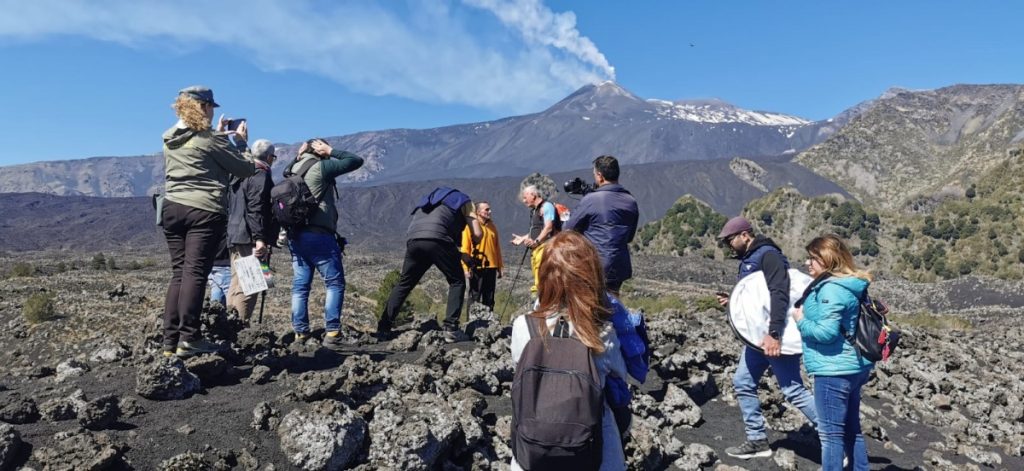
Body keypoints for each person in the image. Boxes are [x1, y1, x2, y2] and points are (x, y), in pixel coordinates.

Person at [510, 231, 627, 470]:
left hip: (532, 450)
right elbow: (619, 379)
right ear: (591, 277)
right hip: (593, 451)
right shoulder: (601, 331)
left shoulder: (524, 326)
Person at [161, 85, 255, 358]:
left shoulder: (168, 138)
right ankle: (190, 338)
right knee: (196, 273)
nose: (213, 113)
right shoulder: (208, 139)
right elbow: (245, 168)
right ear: (202, 107)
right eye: (211, 108)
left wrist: (217, 134)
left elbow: (198, 146)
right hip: (203, 210)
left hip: (171, 208)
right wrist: (239, 142)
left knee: (179, 273)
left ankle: (170, 341)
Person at [716, 216, 818, 459]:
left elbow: (779, 294)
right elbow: (758, 298)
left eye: (730, 239)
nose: (728, 245)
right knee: (742, 382)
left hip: (773, 337)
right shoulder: (750, 259)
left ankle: (837, 437)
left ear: (745, 235)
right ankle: (757, 439)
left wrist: (774, 334)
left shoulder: (768, 255)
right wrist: (733, 302)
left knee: (792, 390)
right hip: (758, 339)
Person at [792, 235, 874, 471]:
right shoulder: (849, 283)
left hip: (833, 370)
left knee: (830, 436)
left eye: (814, 258)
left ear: (828, 260)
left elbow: (826, 333)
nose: (808, 263)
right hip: (854, 366)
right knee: (851, 429)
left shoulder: (831, 288)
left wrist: (801, 321)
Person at [284, 139, 364, 350]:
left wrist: (298, 155)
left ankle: (300, 333)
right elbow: (355, 160)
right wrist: (331, 151)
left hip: (296, 236)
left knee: (300, 287)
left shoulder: (293, 168)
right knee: (334, 283)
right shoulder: (322, 166)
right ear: (319, 150)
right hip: (319, 235)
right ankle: (332, 332)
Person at [378, 187, 482, 343]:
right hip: (439, 240)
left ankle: (383, 328)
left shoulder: (427, 201)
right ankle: (451, 328)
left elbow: (433, 241)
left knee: (404, 283)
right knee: (457, 281)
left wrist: (460, 255)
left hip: (414, 240)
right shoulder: (464, 201)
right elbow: (478, 234)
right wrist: (475, 241)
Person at [564, 155, 639, 296]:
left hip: (595, 265)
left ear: (600, 176)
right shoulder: (631, 201)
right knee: (613, 304)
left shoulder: (591, 200)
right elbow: (629, 237)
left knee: (589, 305)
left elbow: (568, 230)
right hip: (619, 266)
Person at [226, 138, 276, 322]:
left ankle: (227, 326)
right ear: (270, 157)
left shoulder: (240, 173)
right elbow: (256, 209)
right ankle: (238, 327)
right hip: (249, 237)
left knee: (237, 283)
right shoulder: (260, 175)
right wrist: (260, 239)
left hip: (235, 234)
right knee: (251, 284)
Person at [510, 185, 558, 296]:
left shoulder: (547, 206)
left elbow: (548, 228)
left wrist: (536, 242)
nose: (524, 200)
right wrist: (523, 238)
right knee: (538, 275)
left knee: (544, 276)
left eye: (525, 197)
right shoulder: (535, 210)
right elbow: (538, 229)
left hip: (545, 248)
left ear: (533, 195)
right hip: (537, 249)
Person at [461, 201, 503, 312]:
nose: (490, 211)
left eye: (489, 209)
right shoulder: (470, 226)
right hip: (476, 266)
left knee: (489, 297)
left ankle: (489, 324)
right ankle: (471, 323)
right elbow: (465, 249)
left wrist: (500, 266)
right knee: (475, 296)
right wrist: (466, 268)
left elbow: (497, 248)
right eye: (486, 209)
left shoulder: (492, 226)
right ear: (478, 212)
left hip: (491, 267)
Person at [207, 237, 231, 306]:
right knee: (232, 300)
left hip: (211, 263)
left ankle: (213, 314)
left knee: (217, 296)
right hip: (225, 263)